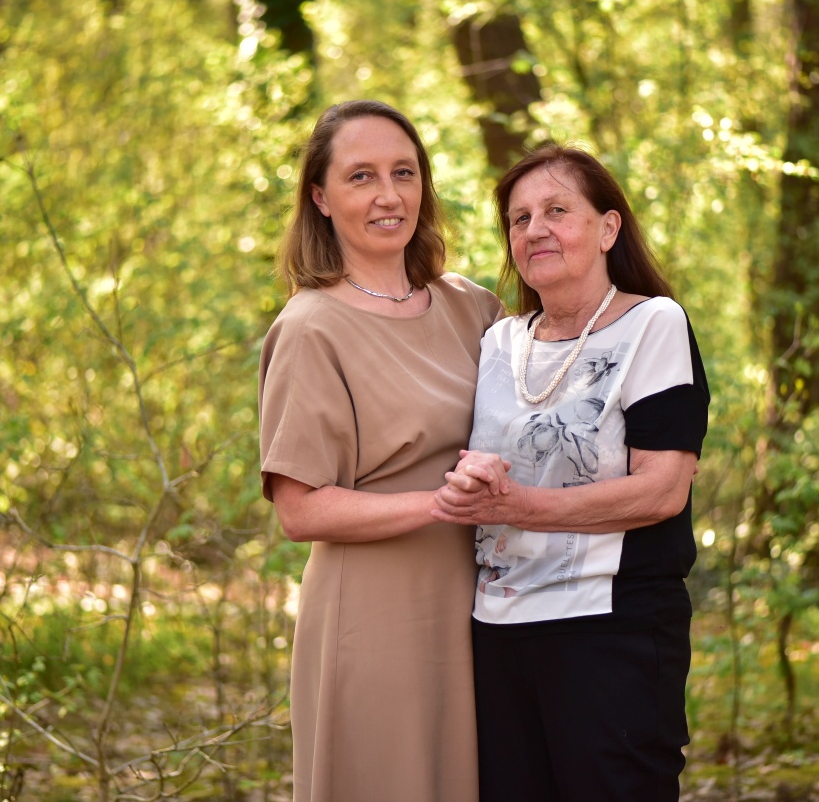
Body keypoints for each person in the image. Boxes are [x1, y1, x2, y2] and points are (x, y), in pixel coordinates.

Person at [433, 143, 710, 802]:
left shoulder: (652, 324)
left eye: (557, 210)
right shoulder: (498, 342)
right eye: (519, 218)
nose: (535, 229)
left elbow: (663, 490)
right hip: (496, 630)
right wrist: (468, 482)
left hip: (610, 629)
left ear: (608, 228)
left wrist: (517, 506)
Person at [258, 99, 502, 802]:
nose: (388, 195)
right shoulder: (310, 328)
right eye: (361, 176)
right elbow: (300, 511)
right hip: (374, 616)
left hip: (483, 607)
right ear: (320, 198)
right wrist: (441, 504)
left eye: (404, 172)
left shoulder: (472, 308)